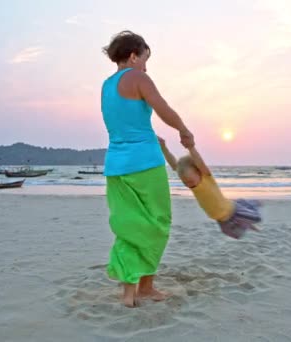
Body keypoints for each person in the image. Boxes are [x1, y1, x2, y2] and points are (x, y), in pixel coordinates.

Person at [101, 31, 194, 307]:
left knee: (129, 224)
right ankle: (146, 288)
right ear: (133, 55)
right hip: (144, 163)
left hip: (116, 166)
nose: (145, 66)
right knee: (157, 222)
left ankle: (129, 290)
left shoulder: (107, 85)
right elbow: (162, 108)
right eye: (144, 59)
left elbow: (124, 124)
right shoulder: (137, 77)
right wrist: (183, 130)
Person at [159, 138, 262, 239]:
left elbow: (199, 162)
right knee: (235, 234)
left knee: (255, 218)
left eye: (190, 180)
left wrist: (191, 148)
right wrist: (164, 148)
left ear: (198, 171)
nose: (188, 184)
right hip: (221, 219)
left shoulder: (206, 177)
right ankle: (247, 225)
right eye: (185, 182)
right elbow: (174, 165)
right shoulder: (193, 185)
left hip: (231, 209)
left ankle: (249, 218)